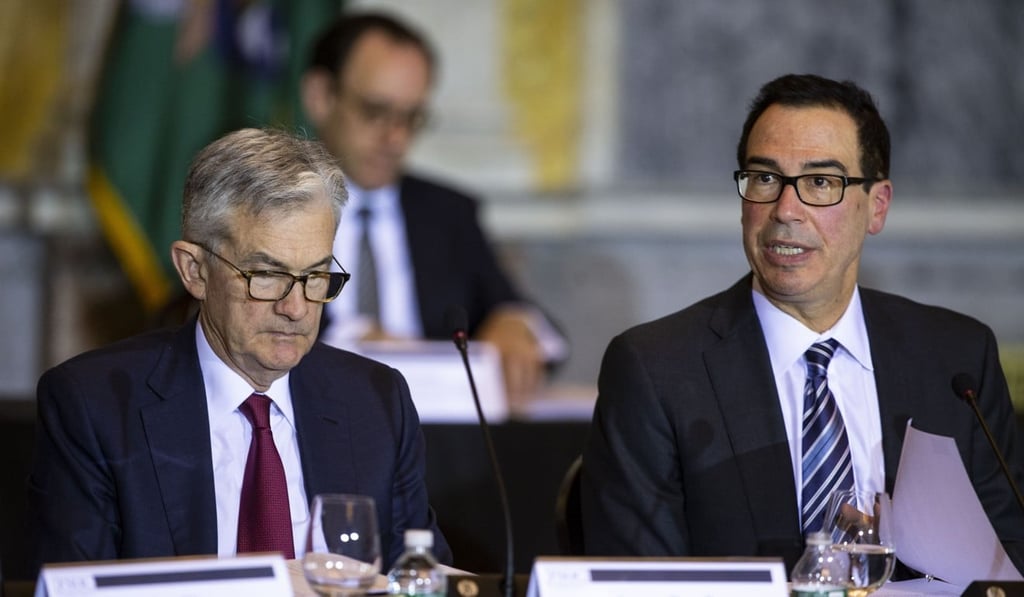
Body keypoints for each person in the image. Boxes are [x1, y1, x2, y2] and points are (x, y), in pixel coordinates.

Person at [581, 73, 1024, 571]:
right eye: (765, 178)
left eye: (820, 182)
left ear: (876, 206)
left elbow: (1003, 563)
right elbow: (636, 579)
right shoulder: (657, 371)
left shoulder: (956, 359)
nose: (785, 211)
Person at [28, 128, 451, 573]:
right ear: (195, 271)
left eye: (315, 276)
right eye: (266, 275)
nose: (295, 308)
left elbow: (420, 576)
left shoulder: (374, 401)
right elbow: (73, 587)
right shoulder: (96, 407)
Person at [300, 12, 567, 399]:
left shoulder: (447, 214)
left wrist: (516, 324)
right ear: (321, 96)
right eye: (375, 112)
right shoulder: (271, 204)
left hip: (435, 441)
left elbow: (535, 323)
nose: (394, 137)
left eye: (411, 118)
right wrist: (352, 342)